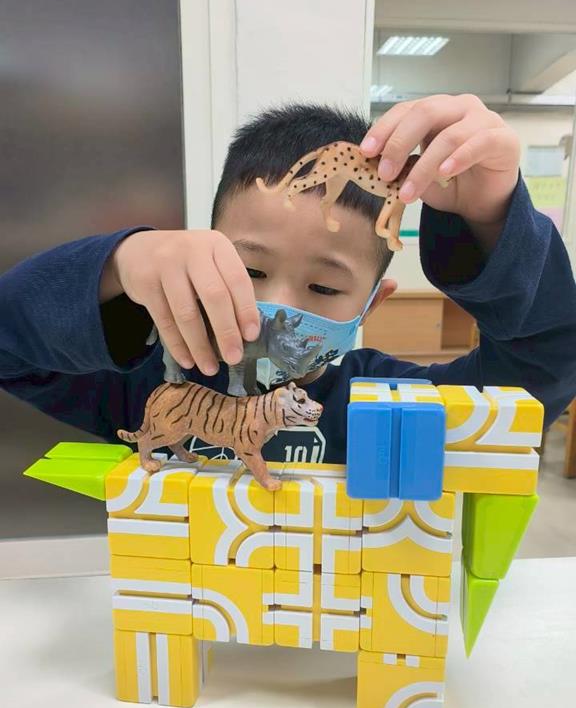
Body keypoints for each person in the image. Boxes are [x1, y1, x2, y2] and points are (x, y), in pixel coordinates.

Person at [1, 95, 575, 465]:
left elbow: (537, 380)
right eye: (249, 270)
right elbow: (9, 345)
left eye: (324, 288)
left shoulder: (384, 404)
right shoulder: (152, 384)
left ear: (371, 306)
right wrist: (117, 265)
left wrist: (491, 221)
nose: (271, 309)